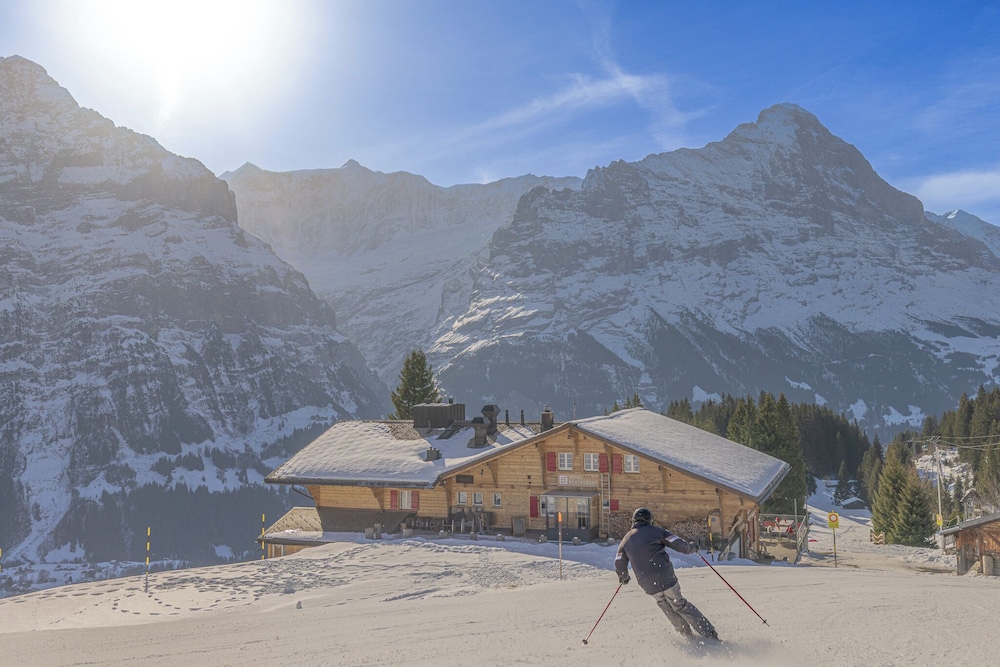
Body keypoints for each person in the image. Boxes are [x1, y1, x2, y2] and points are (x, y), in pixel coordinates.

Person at [615, 507, 718, 640]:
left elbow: (618, 561)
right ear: (650, 520)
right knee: (679, 604)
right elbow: (678, 544)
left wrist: (623, 576)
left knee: (664, 605)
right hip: (664, 576)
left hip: (648, 584)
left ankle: (686, 635)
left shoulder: (626, 539)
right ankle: (709, 634)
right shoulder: (656, 531)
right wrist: (692, 547)